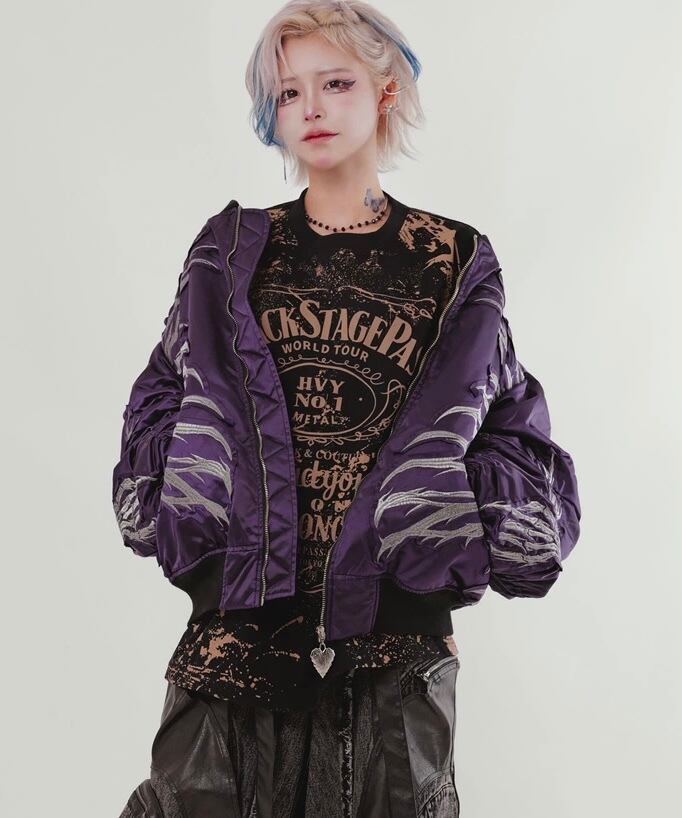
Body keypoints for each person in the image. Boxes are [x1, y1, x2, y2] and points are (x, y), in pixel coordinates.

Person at [113, 2, 581, 816]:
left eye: (335, 83)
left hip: (392, 660)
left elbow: (509, 423)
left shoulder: (452, 260)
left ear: (386, 90)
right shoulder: (228, 254)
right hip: (233, 645)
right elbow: (160, 399)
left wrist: (438, 533)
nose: (312, 110)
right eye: (289, 93)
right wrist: (196, 514)